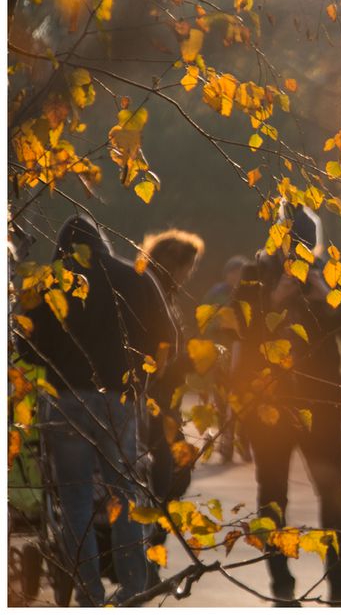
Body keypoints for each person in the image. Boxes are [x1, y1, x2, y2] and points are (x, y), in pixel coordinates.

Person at [15, 215, 177, 605]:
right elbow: (168, 338)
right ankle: (134, 586)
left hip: (66, 400)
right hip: (120, 399)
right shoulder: (136, 278)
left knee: (75, 501)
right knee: (124, 493)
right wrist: (143, 381)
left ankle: (88, 591)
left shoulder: (48, 284)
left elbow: (24, 345)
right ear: (103, 241)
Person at [231, 204, 341, 606]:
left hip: (321, 402)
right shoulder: (254, 277)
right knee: (272, 493)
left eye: (307, 249)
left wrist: (329, 298)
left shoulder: (328, 273)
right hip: (268, 403)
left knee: (333, 492)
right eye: (294, 248)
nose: (300, 258)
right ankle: (281, 585)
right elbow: (242, 333)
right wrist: (273, 302)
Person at [139, 229, 205, 508]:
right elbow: (159, 349)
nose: (188, 275)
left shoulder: (162, 294)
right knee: (167, 470)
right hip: (157, 398)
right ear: (173, 265)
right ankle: (153, 532)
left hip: (167, 398)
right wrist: (193, 359)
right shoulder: (152, 296)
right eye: (187, 268)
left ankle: (155, 529)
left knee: (177, 470)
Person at [201, 255, 251, 463]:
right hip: (221, 354)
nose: (238, 277)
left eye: (242, 273)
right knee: (222, 401)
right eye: (235, 272)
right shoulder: (217, 294)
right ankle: (226, 445)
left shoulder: (249, 293)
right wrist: (218, 325)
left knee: (244, 401)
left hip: (245, 357)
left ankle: (244, 445)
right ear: (229, 274)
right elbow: (204, 321)